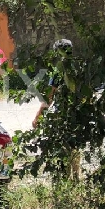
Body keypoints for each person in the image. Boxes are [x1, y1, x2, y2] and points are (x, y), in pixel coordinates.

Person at [32, 38, 81, 179]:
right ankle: (76, 177)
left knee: (64, 148)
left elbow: (49, 98)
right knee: (75, 148)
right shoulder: (78, 68)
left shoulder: (58, 71)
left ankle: (65, 178)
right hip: (77, 114)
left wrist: (37, 117)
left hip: (62, 115)